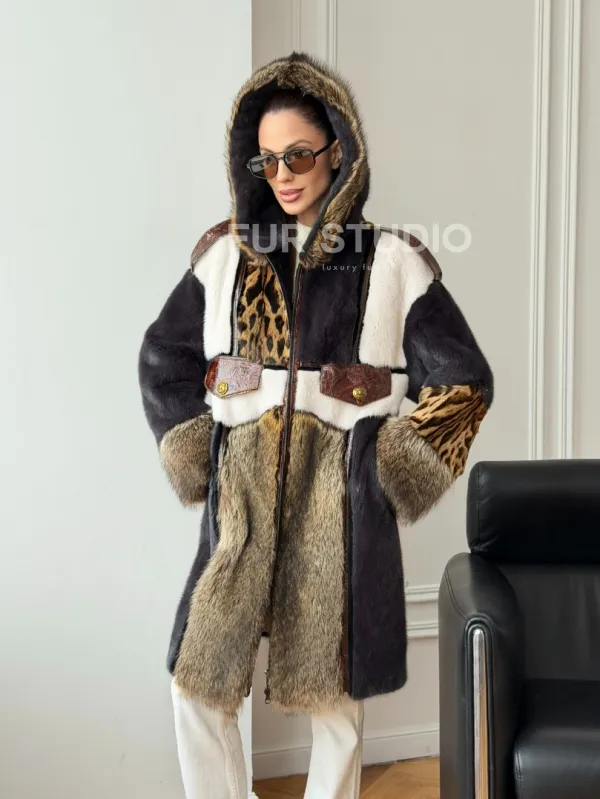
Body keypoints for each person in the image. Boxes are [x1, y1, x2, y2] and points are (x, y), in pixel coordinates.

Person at [138, 50, 494, 799]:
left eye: (299, 154)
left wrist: (387, 469)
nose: (284, 174)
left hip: (337, 509)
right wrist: (201, 452)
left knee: (333, 704)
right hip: (242, 505)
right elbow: (163, 358)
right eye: (267, 160)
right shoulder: (223, 257)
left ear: (339, 149)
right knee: (198, 684)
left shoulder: (393, 261)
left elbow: (464, 380)